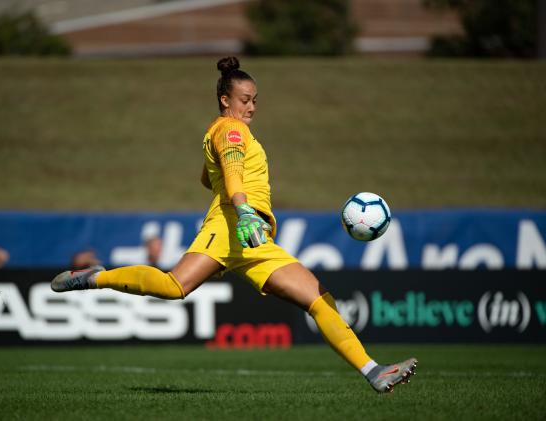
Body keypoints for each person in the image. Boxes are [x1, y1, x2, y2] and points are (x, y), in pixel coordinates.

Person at [51, 57, 416, 393]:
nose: (252, 106)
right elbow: (232, 175)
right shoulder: (231, 130)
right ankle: (96, 276)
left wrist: (235, 193)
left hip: (254, 238)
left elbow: (209, 178)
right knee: (174, 286)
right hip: (233, 226)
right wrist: (242, 210)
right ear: (225, 100)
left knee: (320, 300)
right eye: (244, 99)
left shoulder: (225, 131)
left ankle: (373, 371)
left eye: (255, 99)